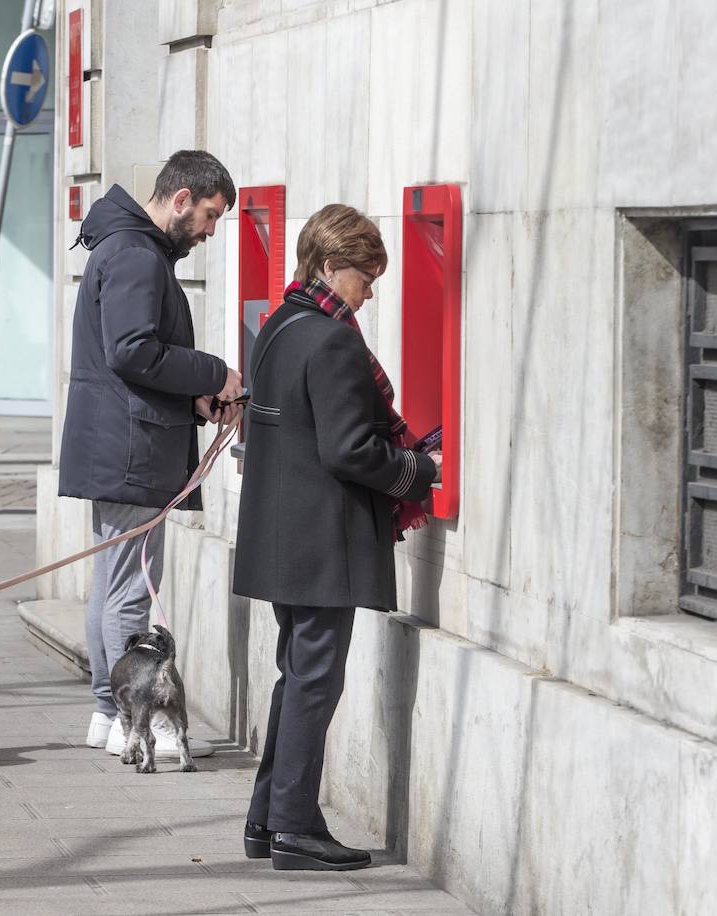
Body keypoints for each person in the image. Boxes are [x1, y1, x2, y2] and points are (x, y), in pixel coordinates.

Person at [232, 204, 440, 871]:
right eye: (364, 275)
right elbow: (349, 450)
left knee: (297, 678)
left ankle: (270, 819)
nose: (370, 290)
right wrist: (417, 470)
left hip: (280, 536)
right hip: (323, 541)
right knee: (313, 682)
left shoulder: (278, 324)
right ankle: (293, 827)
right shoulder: (332, 338)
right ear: (329, 264)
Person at [58, 150, 244, 761]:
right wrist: (215, 373)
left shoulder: (127, 247)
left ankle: (106, 713)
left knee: (110, 590)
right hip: (131, 450)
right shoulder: (137, 254)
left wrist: (195, 399)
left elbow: (132, 363)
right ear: (182, 197)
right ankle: (137, 723)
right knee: (132, 592)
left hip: (119, 442)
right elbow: (133, 351)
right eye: (211, 216)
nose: (211, 231)